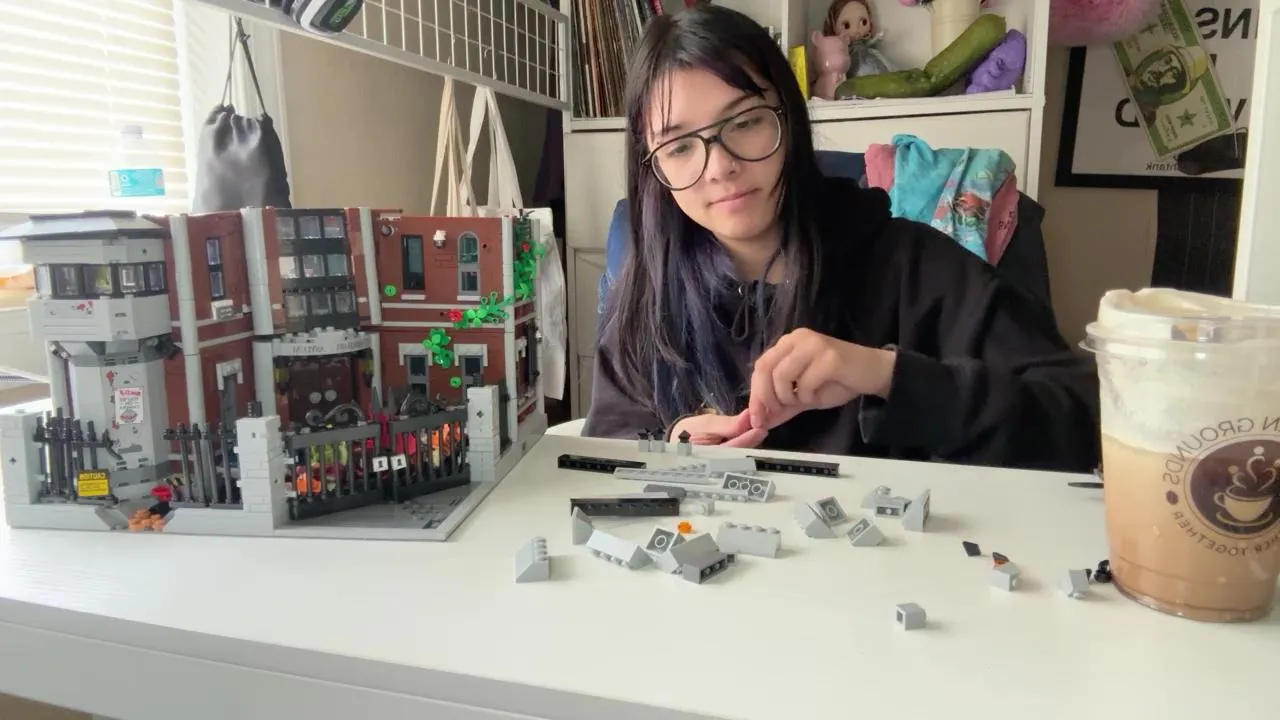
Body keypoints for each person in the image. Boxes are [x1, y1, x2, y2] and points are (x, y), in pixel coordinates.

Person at [583, 5, 1100, 473]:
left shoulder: (911, 266)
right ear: (652, 167)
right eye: (678, 146)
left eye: (745, 122)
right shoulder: (646, 295)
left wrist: (885, 375)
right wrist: (673, 444)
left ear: (788, 117)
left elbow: (1081, 420)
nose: (719, 167)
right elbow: (604, 451)